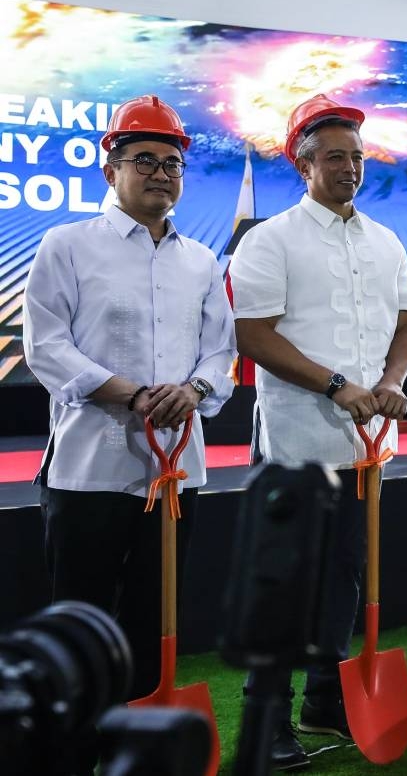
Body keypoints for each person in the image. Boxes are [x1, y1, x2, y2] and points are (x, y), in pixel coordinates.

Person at [23, 94, 235, 770]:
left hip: (176, 471)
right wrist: (136, 394)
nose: (161, 174)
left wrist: (193, 390)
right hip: (90, 467)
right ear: (109, 170)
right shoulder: (66, 246)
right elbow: (46, 347)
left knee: (157, 614)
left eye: (172, 163)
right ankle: (73, 750)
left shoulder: (201, 262)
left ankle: (139, 748)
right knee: (81, 621)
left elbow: (221, 353)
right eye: (144, 160)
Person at [229, 94, 407, 770]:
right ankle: (270, 714)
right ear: (303, 164)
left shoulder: (385, 240)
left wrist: (393, 383)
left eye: (358, 157)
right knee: (287, 578)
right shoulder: (270, 239)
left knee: (345, 572)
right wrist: (340, 386)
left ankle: (326, 698)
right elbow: (252, 334)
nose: (350, 167)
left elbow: (406, 324)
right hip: (297, 439)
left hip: (369, 445)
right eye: (335, 156)